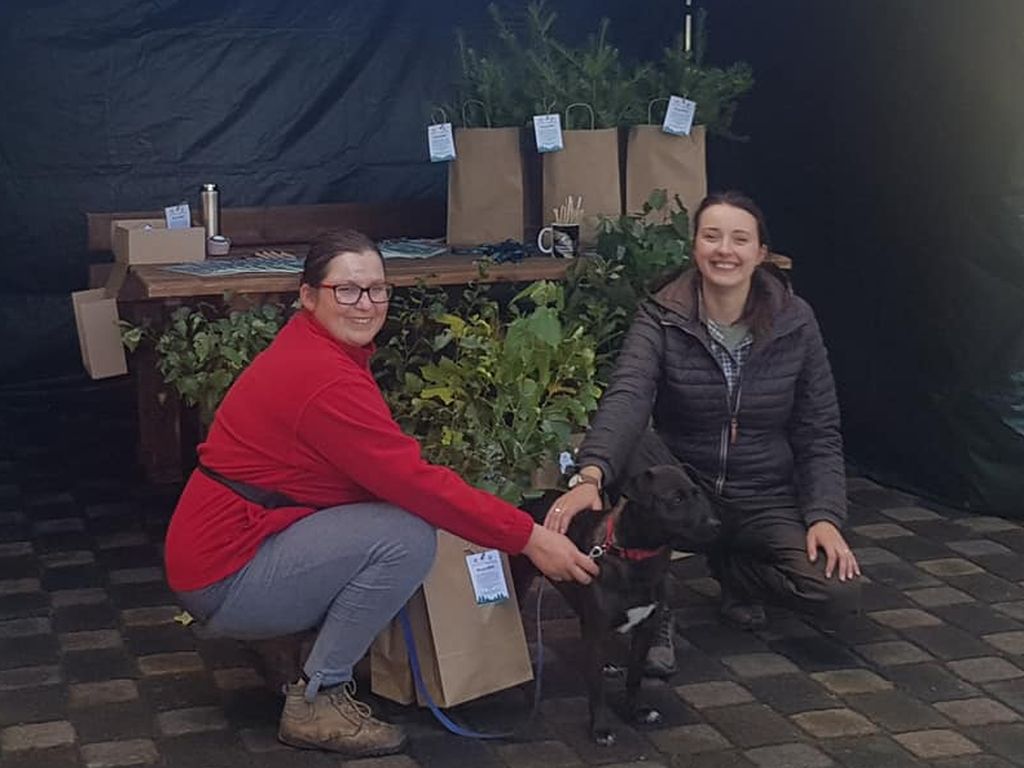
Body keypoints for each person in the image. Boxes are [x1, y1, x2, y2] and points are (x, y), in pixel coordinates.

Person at [163, 229, 598, 757]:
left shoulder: (313, 347)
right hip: (225, 573)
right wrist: (527, 537)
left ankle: (286, 645)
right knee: (405, 537)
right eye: (346, 290)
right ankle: (318, 700)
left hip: (225, 547)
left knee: (390, 523)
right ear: (308, 296)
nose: (365, 304)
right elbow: (415, 484)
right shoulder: (324, 379)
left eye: (376, 290)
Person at [545, 191, 861, 678]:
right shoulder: (661, 314)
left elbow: (819, 428)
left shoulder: (796, 322)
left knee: (836, 592)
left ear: (761, 253)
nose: (724, 250)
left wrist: (824, 515)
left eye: (740, 239)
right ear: (694, 247)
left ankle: (738, 574)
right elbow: (628, 396)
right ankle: (653, 608)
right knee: (633, 451)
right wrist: (590, 474)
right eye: (711, 236)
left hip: (762, 493)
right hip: (685, 486)